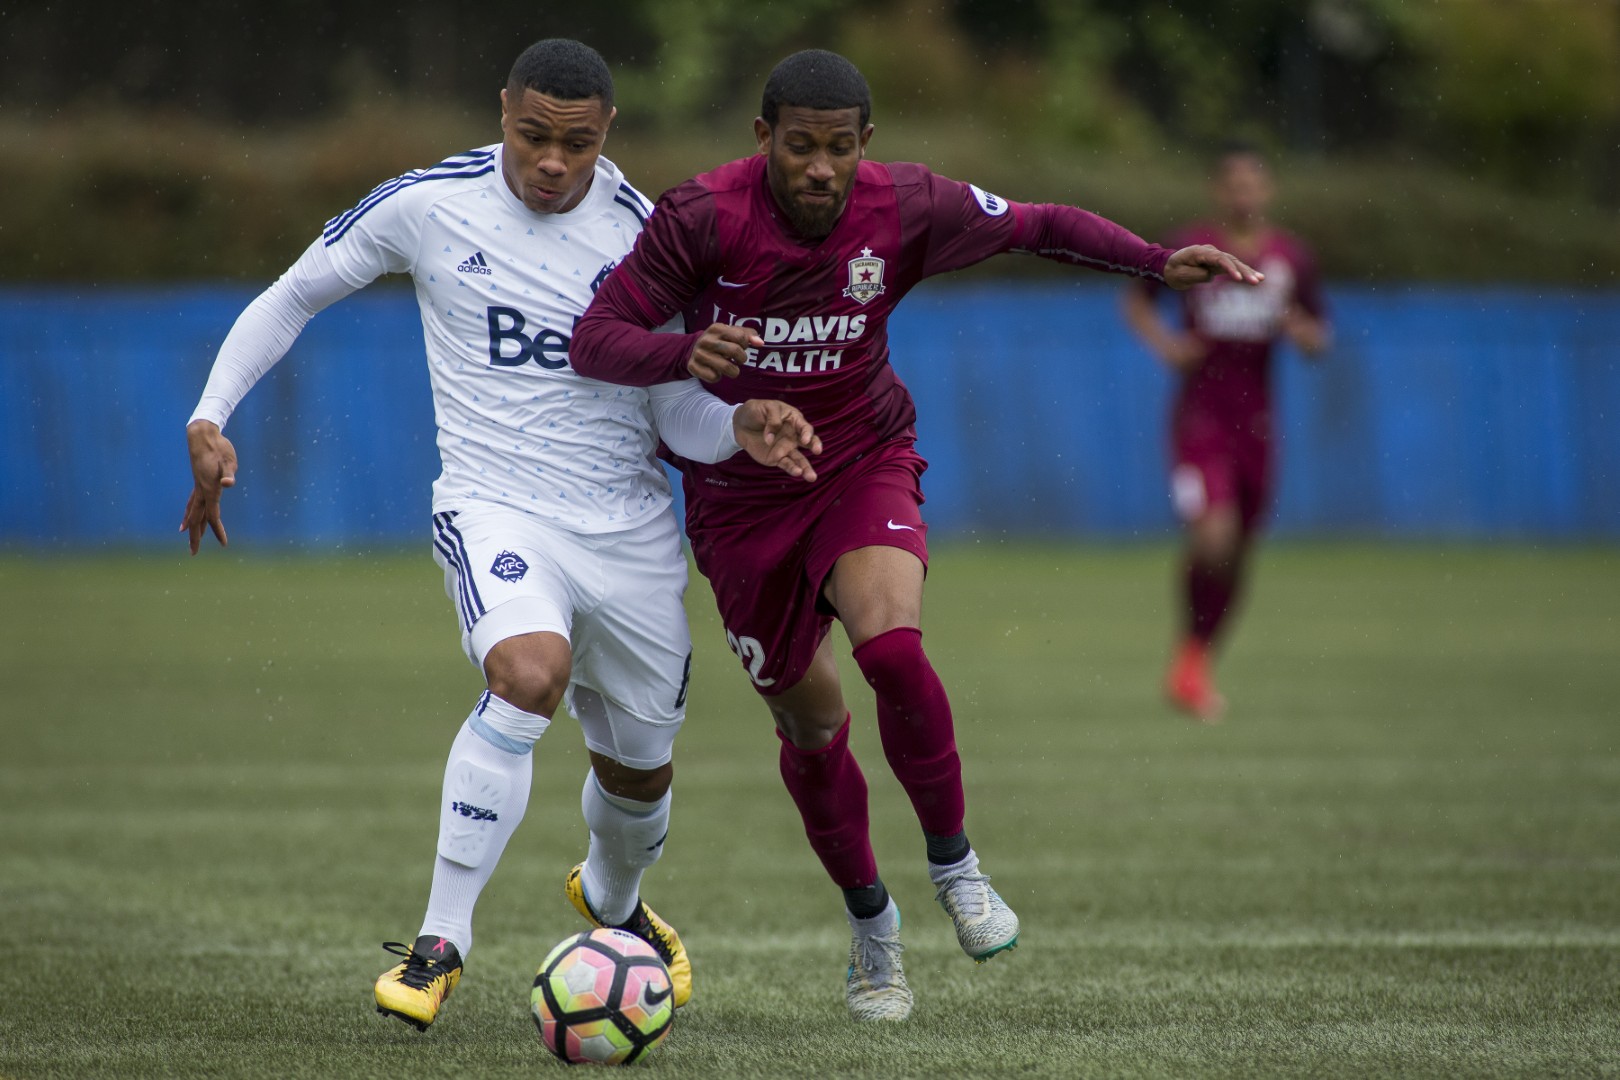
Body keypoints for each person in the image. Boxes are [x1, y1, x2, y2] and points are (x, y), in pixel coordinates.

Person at [570, 49, 1264, 1022]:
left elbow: (1037, 224)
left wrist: (1155, 260)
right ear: (764, 139)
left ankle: (957, 867)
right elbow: (592, 339)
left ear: (867, 144)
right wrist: (686, 350)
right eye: (800, 147)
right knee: (812, 726)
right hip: (739, 499)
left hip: (861, 459)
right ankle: (872, 925)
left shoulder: (904, 205)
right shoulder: (704, 217)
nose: (821, 168)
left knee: (892, 647)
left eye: (840, 148)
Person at [180, 38, 820, 1032]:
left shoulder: (649, 234)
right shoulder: (432, 204)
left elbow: (672, 410)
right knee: (526, 674)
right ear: (504, 112)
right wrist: (211, 414)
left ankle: (613, 903)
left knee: (640, 775)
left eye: (576, 143)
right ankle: (440, 942)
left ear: (607, 133)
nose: (551, 162)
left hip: (629, 529)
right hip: (497, 504)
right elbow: (296, 291)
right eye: (532, 136)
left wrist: (737, 426)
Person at [1121, 142, 1330, 722]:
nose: (1243, 195)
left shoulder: (1289, 258)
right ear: (1218, 191)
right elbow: (1137, 301)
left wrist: (1303, 333)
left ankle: (1195, 661)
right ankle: (1189, 654)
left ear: (1268, 190)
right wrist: (1168, 346)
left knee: (1237, 551)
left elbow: (1320, 336)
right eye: (1233, 185)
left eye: (1252, 184)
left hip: (1257, 425)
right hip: (1200, 419)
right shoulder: (1195, 248)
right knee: (1213, 537)